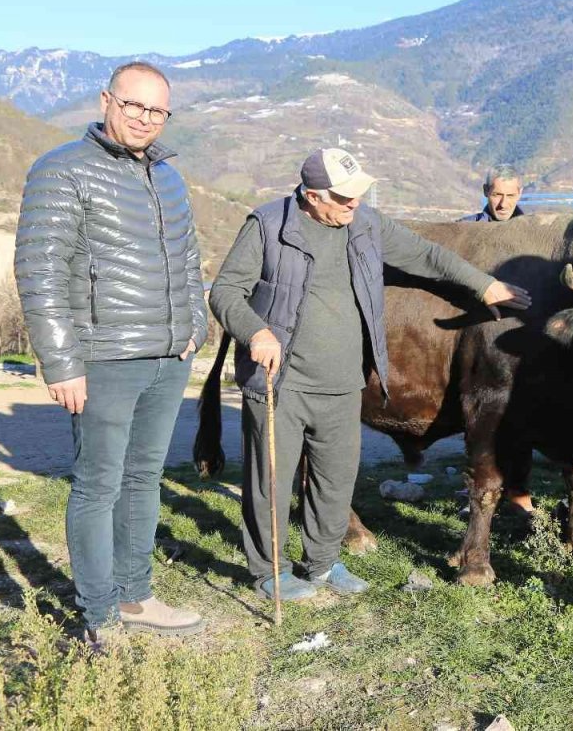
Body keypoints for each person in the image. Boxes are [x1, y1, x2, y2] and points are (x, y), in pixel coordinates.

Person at [209, 148, 531, 601]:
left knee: (335, 479)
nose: (353, 204)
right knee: (272, 481)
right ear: (312, 195)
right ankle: (270, 571)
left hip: (345, 382)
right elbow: (225, 292)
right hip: (282, 381)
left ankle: (322, 564)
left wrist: (484, 284)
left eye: (357, 195)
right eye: (343, 198)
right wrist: (255, 331)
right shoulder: (267, 226)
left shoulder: (364, 224)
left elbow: (426, 255)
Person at [14, 62, 208, 646]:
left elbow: (189, 259)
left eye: (157, 110)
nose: (146, 119)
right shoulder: (61, 170)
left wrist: (195, 325)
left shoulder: (168, 177)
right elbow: (39, 270)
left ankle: (135, 594)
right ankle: (98, 616)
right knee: (99, 486)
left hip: (168, 357)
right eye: (134, 106)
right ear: (106, 100)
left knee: (144, 478)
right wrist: (62, 362)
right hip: (102, 359)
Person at [458, 163, 533, 516]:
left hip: (515, 342)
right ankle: (474, 494)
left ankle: (518, 493)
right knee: (476, 420)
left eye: (511, 195)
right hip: (471, 335)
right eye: (497, 194)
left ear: (521, 194)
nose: (503, 203)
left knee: (519, 420)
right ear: (486, 193)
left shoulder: (531, 235)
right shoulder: (466, 231)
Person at [460, 164, 525, 222]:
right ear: (486, 190)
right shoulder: (462, 230)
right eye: (497, 195)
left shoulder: (533, 233)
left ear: (520, 193)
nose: (503, 205)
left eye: (510, 196)